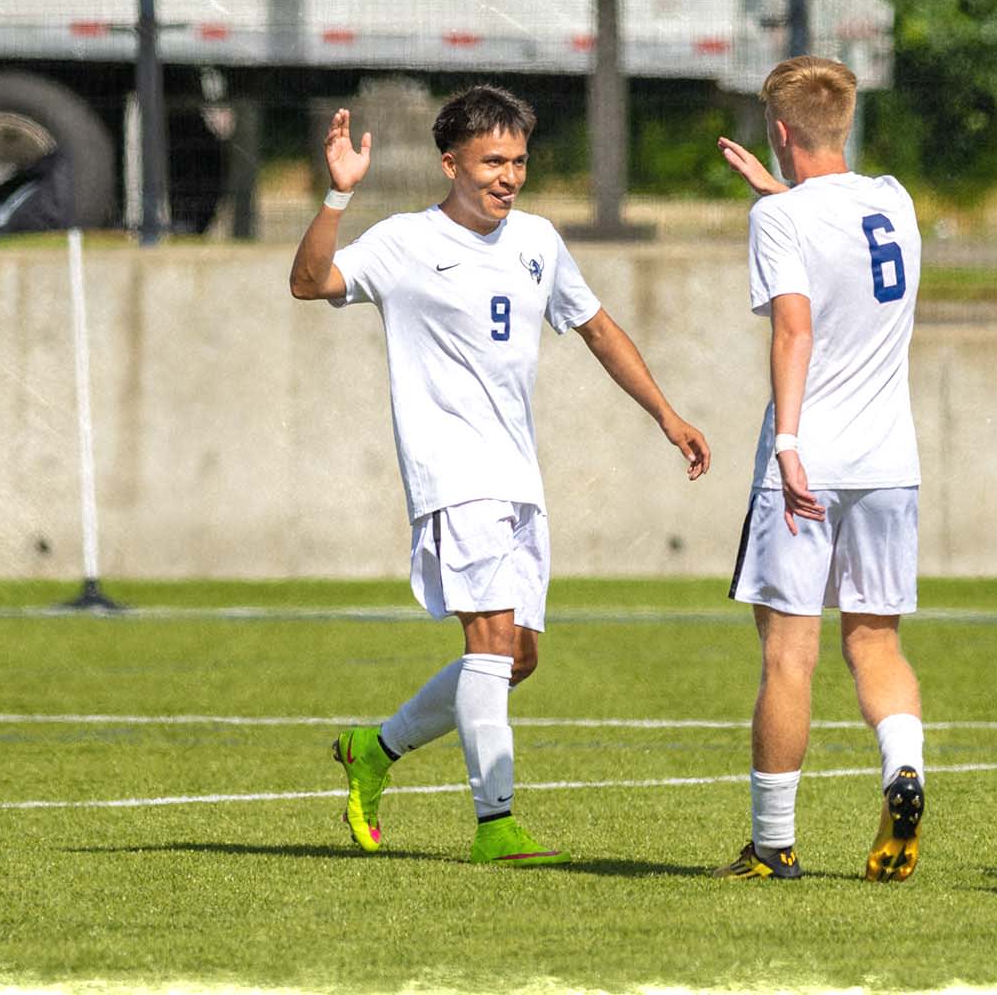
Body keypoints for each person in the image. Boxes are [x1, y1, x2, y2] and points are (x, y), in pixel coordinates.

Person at [288, 85, 711, 865]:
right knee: (487, 645)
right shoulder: (404, 242)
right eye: (491, 161)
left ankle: (373, 751)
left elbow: (596, 327)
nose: (507, 175)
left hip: (519, 474)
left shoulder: (538, 241)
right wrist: (338, 195)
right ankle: (496, 824)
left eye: (517, 160)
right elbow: (311, 282)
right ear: (451, 164)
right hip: (452, 473)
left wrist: (666, 413)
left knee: (517, 658)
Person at [710, 56, 926, 882]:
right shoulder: (895, 201)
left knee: (788, 655)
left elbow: (795, 329)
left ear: (778, 130)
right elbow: (835, 235)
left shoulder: (781, 223)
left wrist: (790, 444)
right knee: (875, 643)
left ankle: (773, 844)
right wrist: (782, 194)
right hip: (890, 463)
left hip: (812, 460)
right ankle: (903, 768)